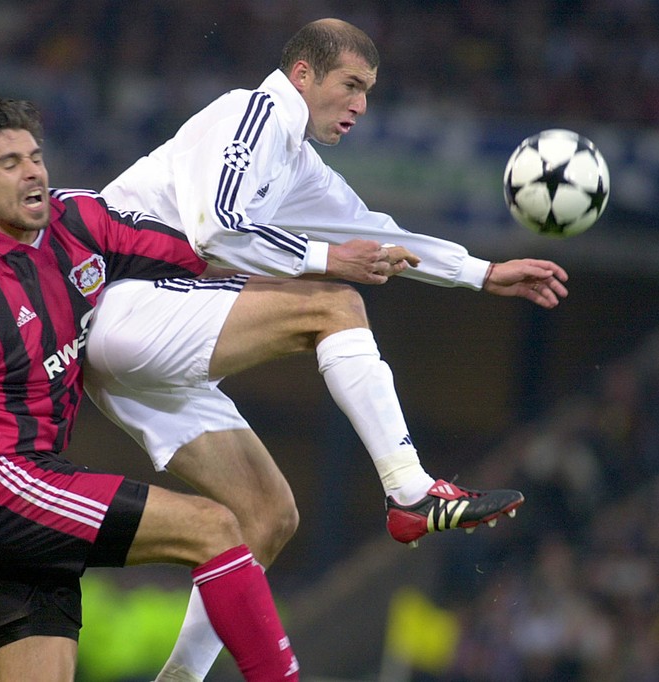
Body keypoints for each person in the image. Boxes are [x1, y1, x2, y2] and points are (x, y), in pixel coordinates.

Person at [87, 17, 570, 682]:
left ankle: (179, 679)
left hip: (150, 338)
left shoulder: (296, 161)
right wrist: (324, 258)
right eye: (350, 85)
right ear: (303, 75)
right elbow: (214, 231)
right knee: (332, 302)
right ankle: (408, 492)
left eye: (368, 90)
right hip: (123, 304)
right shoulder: (251, 113)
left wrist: (482, 274)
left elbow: (375, 234)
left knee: (266, 516)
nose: (361, 105)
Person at [0, 85, 301, 682]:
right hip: (1, 483)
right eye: (10, 163)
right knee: (214, 528)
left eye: (35, 156)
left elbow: (192, 255)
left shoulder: (76, 220)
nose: (32, 170)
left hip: (29, 497)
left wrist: (314, 261)